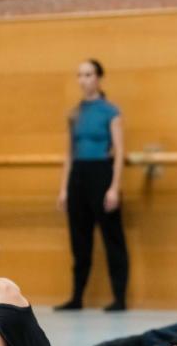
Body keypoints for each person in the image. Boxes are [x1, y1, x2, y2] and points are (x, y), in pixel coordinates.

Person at [55, 58, 129, 312]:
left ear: (98, 78)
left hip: (102, 173)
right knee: (79, 240)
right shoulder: (74, 113)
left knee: (112, 239)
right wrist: (64, 188)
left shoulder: (111, 111)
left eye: (88, 74)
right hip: (78, 175)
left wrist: (114, 186)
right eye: (80, 75)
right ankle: (77, 297)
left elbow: (119, 151)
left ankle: (119, 297)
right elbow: (68, 154)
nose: (83, 79)